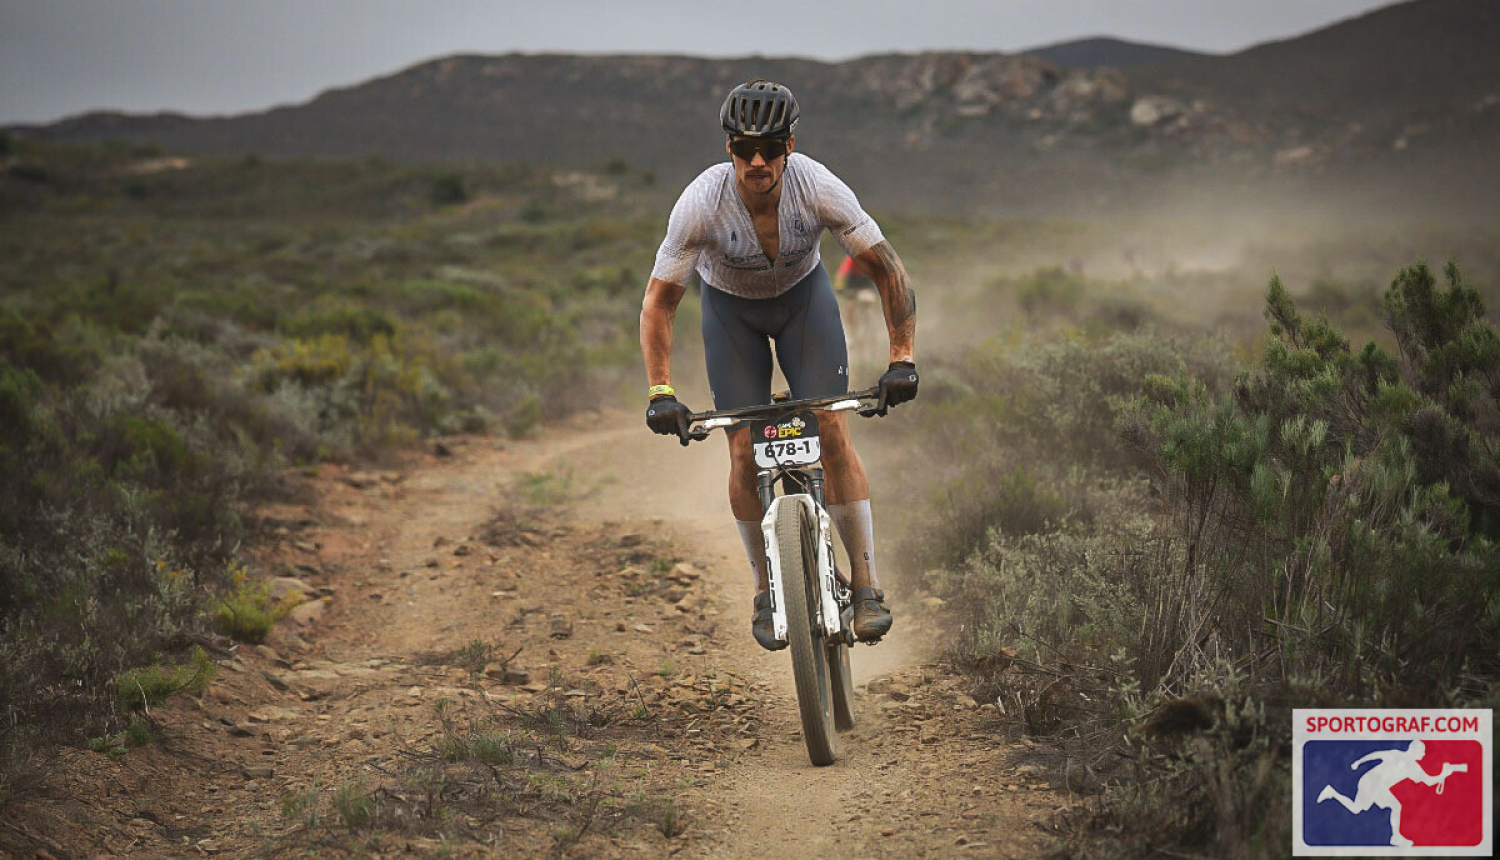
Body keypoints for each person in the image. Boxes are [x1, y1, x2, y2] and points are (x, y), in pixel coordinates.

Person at [638, 79, 919, 650]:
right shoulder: (700, 202)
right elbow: (659, 301)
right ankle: (767, 589)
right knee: (741, 446)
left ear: (791, 145)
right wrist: (660, 389)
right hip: (730, 315)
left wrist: (901, 359)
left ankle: (866, 588)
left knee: (832, 429)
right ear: (729, 149)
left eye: (770, 147)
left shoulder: (818, 186)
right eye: (744, 148)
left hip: (803, 304)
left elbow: (888, 270)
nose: (757, 161)